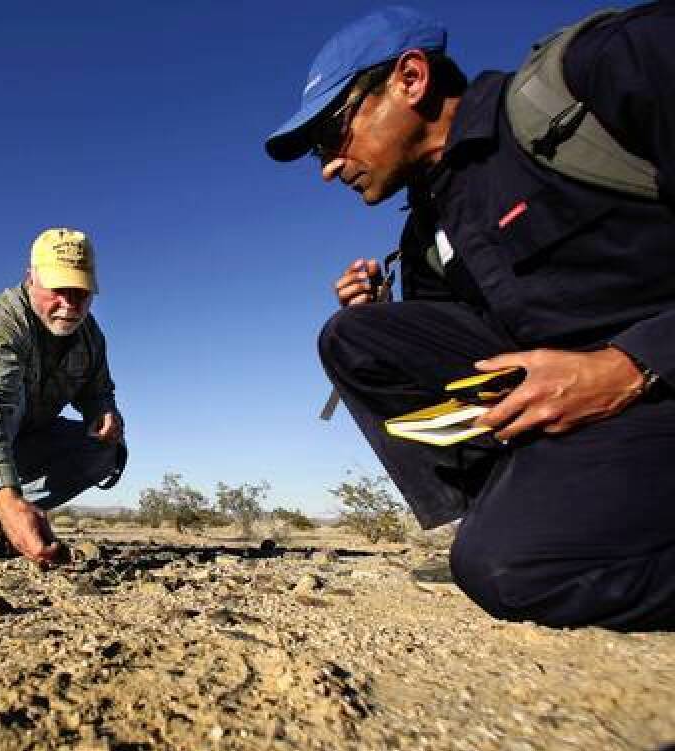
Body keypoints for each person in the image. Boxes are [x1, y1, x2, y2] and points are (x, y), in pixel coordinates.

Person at [264, 5, 675, 630]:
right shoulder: (429, 228)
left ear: (410, 79)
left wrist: (632, 364)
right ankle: (493, 515)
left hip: (653, 379)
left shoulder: (608, 68)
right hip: (582, 408)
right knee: (354, 337)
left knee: (512, 571)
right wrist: (385, 314)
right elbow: (461, 376)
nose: (327, 165)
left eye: (334, 132)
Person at [0, 228, 126, 564]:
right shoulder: (1, 322)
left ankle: (4, 519)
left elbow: (98, 390)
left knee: (107, 451)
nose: (70, 304)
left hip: (23, 434)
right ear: (31, 278)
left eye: (81, 292)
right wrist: (7, 499)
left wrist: (103, 412)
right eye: (59, 289)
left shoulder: (91, 337)